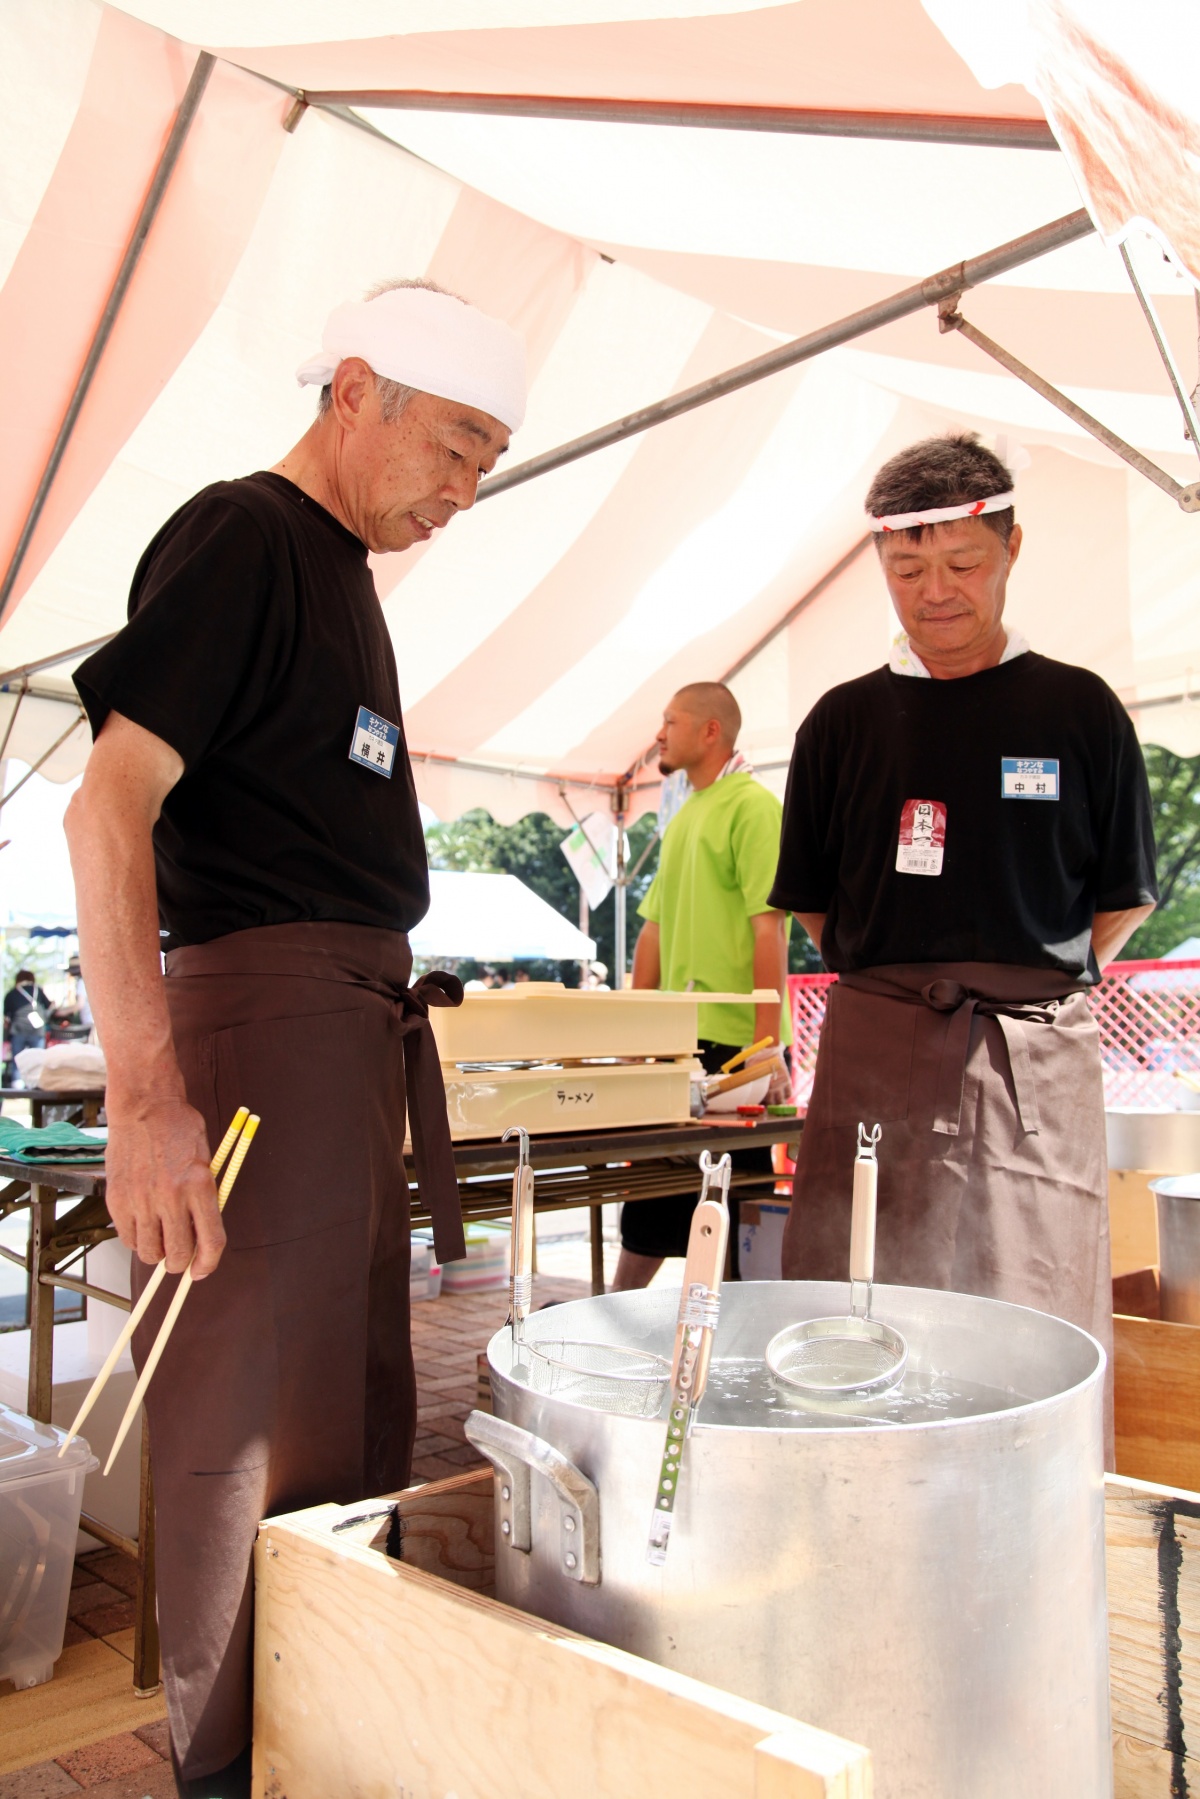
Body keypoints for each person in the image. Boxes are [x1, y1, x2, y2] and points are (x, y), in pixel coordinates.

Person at [65, 279, 525, 1798]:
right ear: (356, 390)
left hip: (340, 1047)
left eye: (487, 463)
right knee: (245, 1441)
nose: (464, 490)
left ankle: (307, 1752)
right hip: (256, 1044)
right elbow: (107, 805)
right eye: (454, 445)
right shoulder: (244, 535)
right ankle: (222, 1770)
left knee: (342, 1426)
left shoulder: (345, 583)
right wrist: (144, 1099)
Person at [768, 434, 1157, 1438]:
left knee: (1035, 1291)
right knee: (861, 1284)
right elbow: (813, 899)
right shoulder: (840, 721)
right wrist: (904, 979)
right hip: (876, 1040)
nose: (935, 590)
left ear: (1012, 548)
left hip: (1036, 1047)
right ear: (880, 569)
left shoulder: (1080, 707)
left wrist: (1035, 987)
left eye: (962, 563)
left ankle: (1042, 1485)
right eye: (908, 568)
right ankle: (848, 1489)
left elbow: (1125, 893)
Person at [613, 682, 791, 1290]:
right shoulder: (685, 813)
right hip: (673, 1043)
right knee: (650, 1203)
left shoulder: (754, 807)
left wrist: (766, 1046)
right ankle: (610, 1320)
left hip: (732, 1046)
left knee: (737, 1214)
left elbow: (769, 929)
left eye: (671, 721)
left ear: (711, 730)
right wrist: (637, 1034)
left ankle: (742, 1344)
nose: (659, 734)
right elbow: (653, 933)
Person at [4, 969, 51, 1082]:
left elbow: (6, 1017)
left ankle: (17, 1087)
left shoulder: (11, 994)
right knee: (38, 1061)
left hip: (18, 1029)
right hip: (37, 1030)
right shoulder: (38, 991)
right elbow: (49, 1007)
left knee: (18, 1062)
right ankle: (37, 1083)